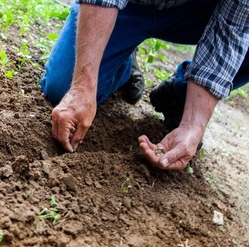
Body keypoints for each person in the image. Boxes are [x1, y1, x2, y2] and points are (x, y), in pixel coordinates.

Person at [40, 0, 249, 171]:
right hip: (128, 6)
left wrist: (193, 125)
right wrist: (82, 87)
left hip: (195, 13)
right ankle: (123, 62)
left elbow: (233, 30)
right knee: (63, 88)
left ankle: (181, 95)